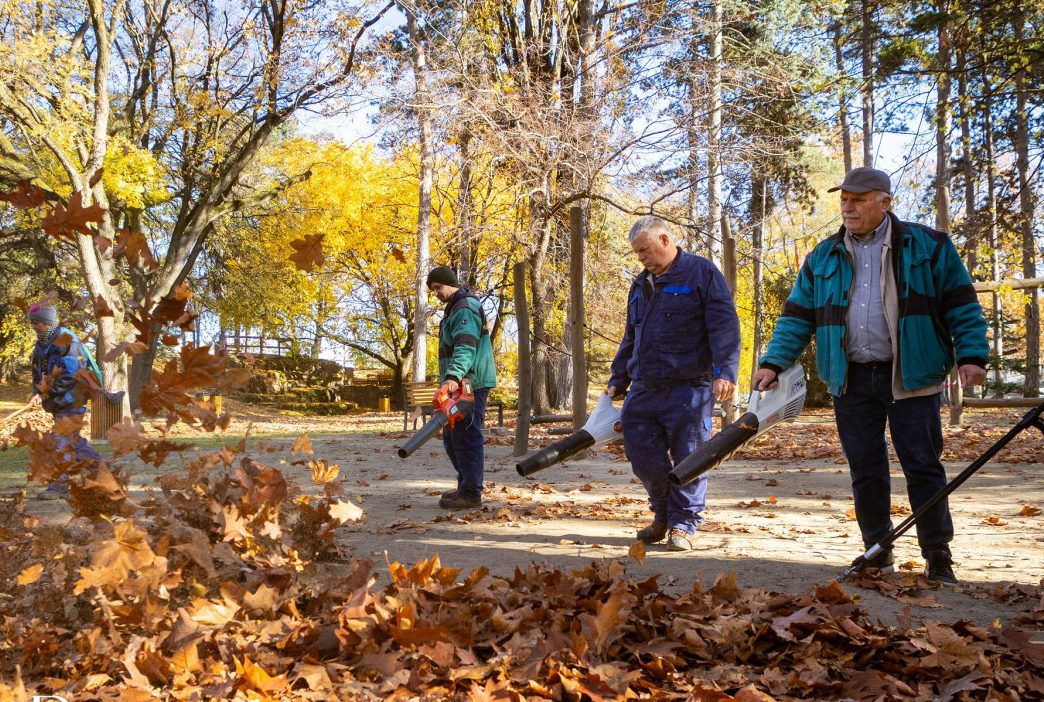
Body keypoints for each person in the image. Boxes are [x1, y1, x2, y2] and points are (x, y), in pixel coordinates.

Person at [752, 167, 988, 584]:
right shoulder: (823, 255)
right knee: (865, 468)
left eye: (859, 199)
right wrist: (773, 362)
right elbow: (796, 317)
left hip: (911, 376)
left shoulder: (929, 246)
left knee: (923, 466)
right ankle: (877, 552)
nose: (848, 206)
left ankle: (938, 554)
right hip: (851, 378)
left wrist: (971, 355)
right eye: (844, 199)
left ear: (885, 202)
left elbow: (962, 304)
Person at [607, 216, 741, 551]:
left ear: (665, 240)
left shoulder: (701, 273)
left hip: (690, 385)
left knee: (689, 458)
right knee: (641, 454)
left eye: (646, 251)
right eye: (638, 255)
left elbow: (724, 325)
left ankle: (683, 524)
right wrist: (618, 378)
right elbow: (631, 336)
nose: (643, 259)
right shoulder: (640, 285)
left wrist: (726, 370)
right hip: (644, 386)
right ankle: (664, 513)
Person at [426, 266, 497, 509]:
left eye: (437, 287)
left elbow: (465, 346)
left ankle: (470, 493)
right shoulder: (455, 309)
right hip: (461, 384)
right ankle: (465, 485)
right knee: (452, 436)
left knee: (466, 436)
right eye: (432, 289)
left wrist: (453, 376)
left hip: (470, 384)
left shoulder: (464, 308)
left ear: (449, 283)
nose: (435, 293)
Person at [28, 303, 101, 499]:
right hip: (58, 401)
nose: (34, 326)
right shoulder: (41, 344)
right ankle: (101, 472)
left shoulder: (67, 341)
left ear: (48, 323)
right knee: (74, 443)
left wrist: (48, 393)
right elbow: (38, 372)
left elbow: (73, 374)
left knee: (58, 440)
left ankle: (58, 487)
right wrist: (38, 391)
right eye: (32, 323)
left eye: (37, 323)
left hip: (73, 399)